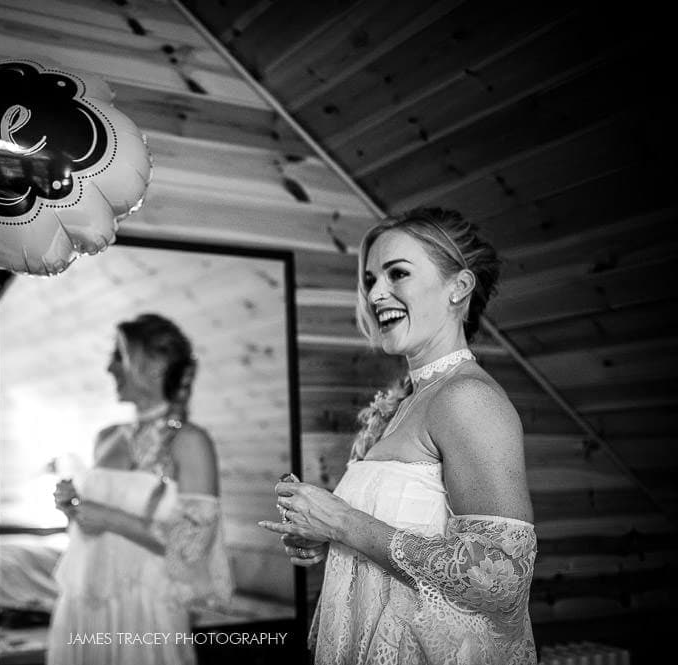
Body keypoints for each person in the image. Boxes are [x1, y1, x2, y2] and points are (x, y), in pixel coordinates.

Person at [260, 208, 537, 664]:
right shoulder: (405, 401)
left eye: (397, 274)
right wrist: (326, 535)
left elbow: (500, 581)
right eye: (370, 280)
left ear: (459, 288)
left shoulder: (467, 397)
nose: (375, 294)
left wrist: (342, 521)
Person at [47, 313, 232, 665]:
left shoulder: (190, 442)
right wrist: (73, 506)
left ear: (154, 365)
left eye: (118, 355)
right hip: (84, 601)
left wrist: (108, 517)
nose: (109, 368)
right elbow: (93, 524)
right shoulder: (105, 437)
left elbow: (191, 545)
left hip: (147, 610)